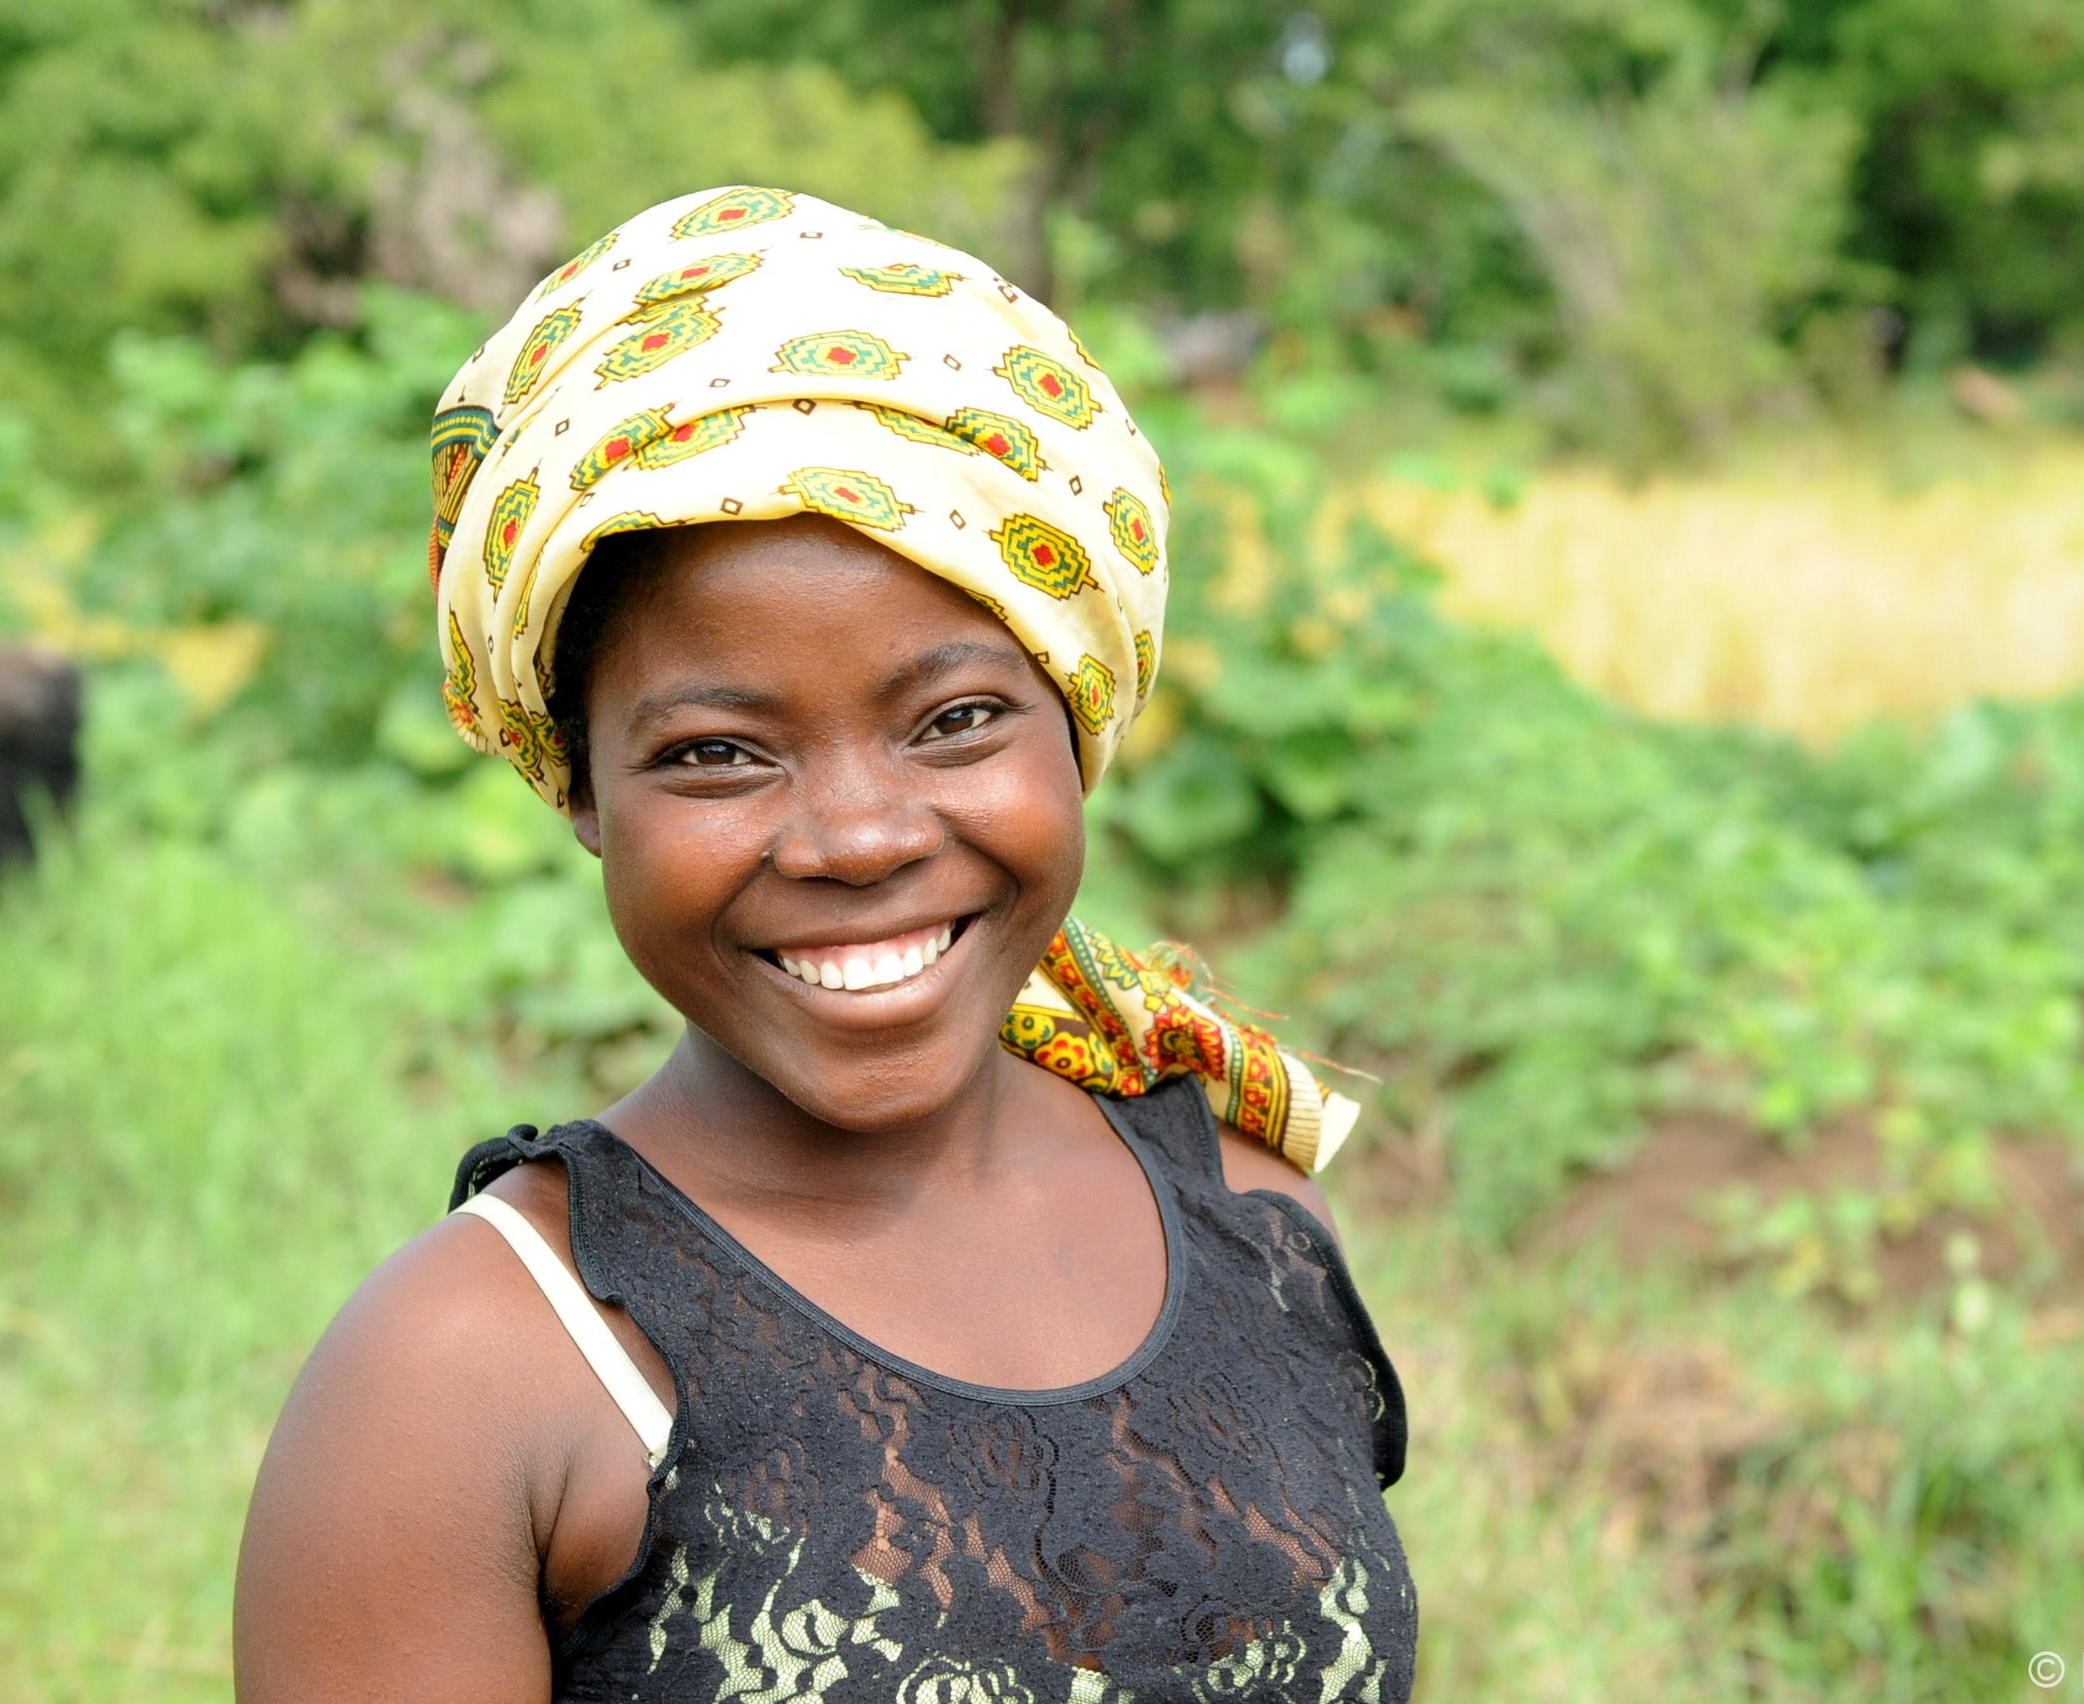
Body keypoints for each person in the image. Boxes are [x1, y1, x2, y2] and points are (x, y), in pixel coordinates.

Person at [233, 186, 1415, 1704]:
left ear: (1081, 718)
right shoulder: (471, 1378)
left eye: (958, 720)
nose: (858, 838)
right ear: (583, 787)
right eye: (720, 753)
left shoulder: (1256, 1218)